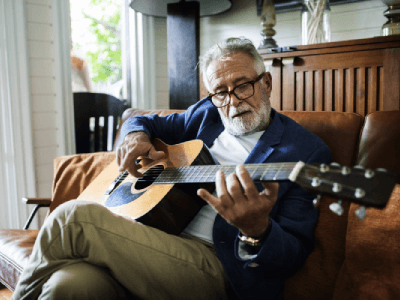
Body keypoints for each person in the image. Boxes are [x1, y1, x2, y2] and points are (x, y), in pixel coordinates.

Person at [12, 37, 331, 300]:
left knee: (72, 218)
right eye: (221, 92)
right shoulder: (207, 113)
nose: (232, 102)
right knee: (66, 286)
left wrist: (256, 229)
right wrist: (135, 135)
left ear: (267, 83)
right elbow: (141, 119)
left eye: (243, 85)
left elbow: (294, 252)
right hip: (152, 238)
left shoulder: (305, 151)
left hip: (218, 266)